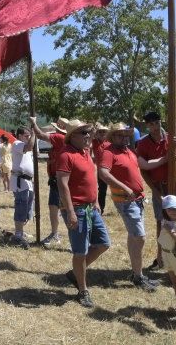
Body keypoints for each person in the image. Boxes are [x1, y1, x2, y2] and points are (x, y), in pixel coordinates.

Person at [56, 119, 111, 308]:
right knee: (80, 252)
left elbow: (91, 178)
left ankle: (76, 273)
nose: (89, 136)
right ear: (72, 136)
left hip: (90, 207)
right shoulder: (66, 155)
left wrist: (96, 200)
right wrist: (70, 212)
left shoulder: (86, 152)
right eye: (84, 133)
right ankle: (83, 290)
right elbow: (62, 186)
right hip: (77, 210)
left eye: (89, 132)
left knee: (104, 243)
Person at [100, 123, 159, 291]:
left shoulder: (129, 151)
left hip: (137, 200)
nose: (124, 137)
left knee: (134, 236)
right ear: (112, 137)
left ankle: (137, 274)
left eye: (126, 135)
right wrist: (125, 188)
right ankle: (138, 276)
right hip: (126, 200)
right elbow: (103, 173)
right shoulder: (109, 152)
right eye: (120, 135)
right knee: (139, 237)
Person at [138, 111, 176, 274]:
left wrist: (174, 153)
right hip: (160, 188)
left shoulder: (171, 139)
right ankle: (161, 258)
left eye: (157, 123)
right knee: (161, 223)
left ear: (160, 122)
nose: (155, 127)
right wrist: (155, 191)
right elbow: (144, 170)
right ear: (147, 126)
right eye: (151, 124)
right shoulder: (143, 144)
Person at [29, 116, 68, 245]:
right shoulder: (63, 139)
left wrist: (34, 123)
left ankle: (58, 234)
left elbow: (40, 135)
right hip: (56, 179)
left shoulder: (59, 137)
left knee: (61, 208)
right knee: (56, 207)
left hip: (59, 180)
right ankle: (55, 233)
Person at [9, 126, 36, 247]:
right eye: (27, 135)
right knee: (21, 206)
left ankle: (21, 231)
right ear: (19, 136)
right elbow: (29, 147)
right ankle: (18, 233)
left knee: (27, 208)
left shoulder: (26, 146)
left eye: (29, 135)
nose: (29, 137)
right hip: (20, 181)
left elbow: (34, 150)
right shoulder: (17, 143)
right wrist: (34, 134)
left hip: (28, 182)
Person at [93, 122, 110, 213]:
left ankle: (101, 209)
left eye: (104, 132)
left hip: (105, 170)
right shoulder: (94, 142)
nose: (102, 133)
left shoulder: (109, 144)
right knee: (94, 188)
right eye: (100, 132)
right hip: (95, 169)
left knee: (103, 190)